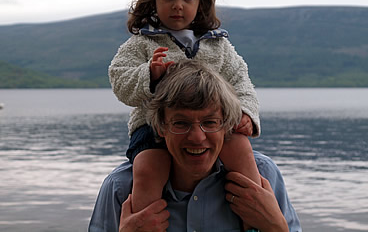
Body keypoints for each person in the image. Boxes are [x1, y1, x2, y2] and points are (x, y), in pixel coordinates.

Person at [108, 0, 261, 230]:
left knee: (241, 149)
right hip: (152, 127)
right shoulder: (142, 43)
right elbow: (119, 80)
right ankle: (146, 224)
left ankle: (256, 219)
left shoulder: (217, 45)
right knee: (149, 168)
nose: (177, 5)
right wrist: (149, 75)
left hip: (214, 126)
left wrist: (247, 113)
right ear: (152, 0)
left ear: (200, 2)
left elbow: (241, 81)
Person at [89, 60, 301, 232]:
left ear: (226, 125)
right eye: (181, 123)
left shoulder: (263, 175)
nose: (197, 137)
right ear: (161, 127)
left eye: (210, 122)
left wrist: (276, 227)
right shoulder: (121, 187)